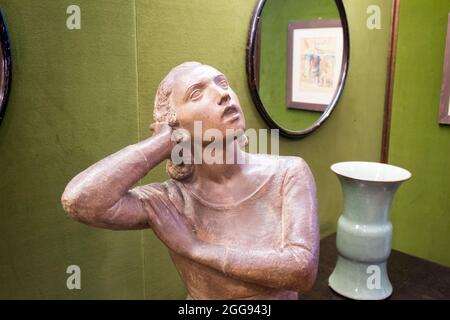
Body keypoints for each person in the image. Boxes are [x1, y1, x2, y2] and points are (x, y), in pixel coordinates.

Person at [61, 61, 319, 300]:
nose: (223, 94)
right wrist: (162, 142)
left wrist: (194, 248)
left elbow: (302, 270)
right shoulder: (170, 200)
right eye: (197, 93)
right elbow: (80, 201)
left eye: (223, 83)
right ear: (174, 123)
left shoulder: (287, 173)